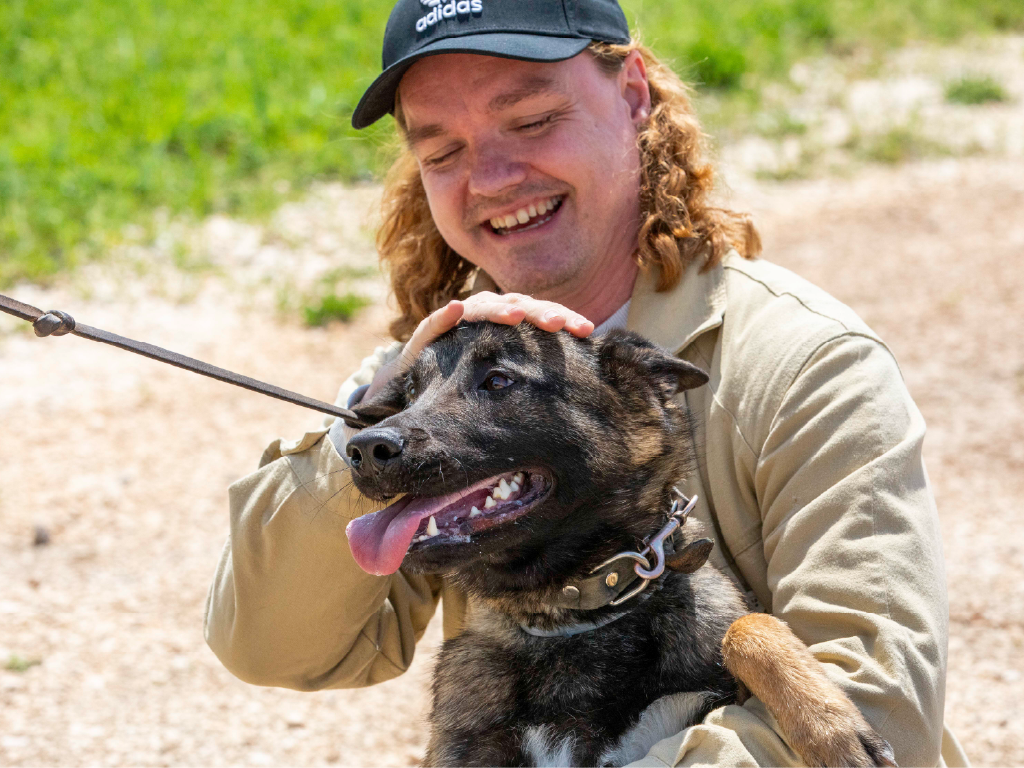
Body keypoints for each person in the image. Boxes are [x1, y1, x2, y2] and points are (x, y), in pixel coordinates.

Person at [204, 1, 968, 765]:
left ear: (634, 92)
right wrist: (363, 435)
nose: (492, 179)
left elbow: (881, 709)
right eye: (442, 153)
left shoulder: (807, 364)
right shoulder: (422, 377)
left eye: (532, 120)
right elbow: (274, 648)